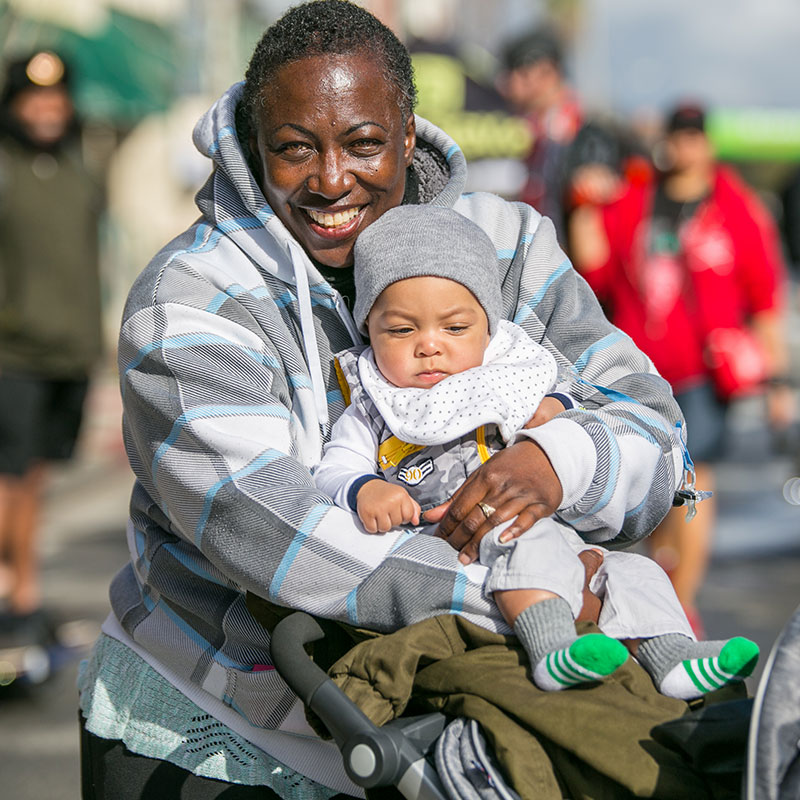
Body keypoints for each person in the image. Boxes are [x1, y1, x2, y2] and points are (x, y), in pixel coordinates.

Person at [78, 2, 692, 797]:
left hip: (439, 738)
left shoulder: (505, 249)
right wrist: (530, 590)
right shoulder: (190, 299)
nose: (333, 180)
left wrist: (560, 457)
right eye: (294, 148)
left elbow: (652, 429)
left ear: (408, 134)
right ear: (251, 145)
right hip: (220, 734)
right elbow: (267, 527)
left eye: (364, 143)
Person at [315, 203, 758, 699]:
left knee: (636, 569)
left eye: (455, 328)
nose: (429, 346)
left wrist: (555, 407)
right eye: (400, 330)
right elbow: (335, 467)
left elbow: (576, 395)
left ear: (489, 330)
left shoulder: (508, 374)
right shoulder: (376, 406)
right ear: (368, 329)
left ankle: (672, 655)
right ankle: (551, 649)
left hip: (559, 538)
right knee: (526, 540)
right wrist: (363, 488)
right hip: (469, 545)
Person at [569, 103, 792, 636]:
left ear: (707, 144)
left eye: (695, 136)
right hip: (638, 368)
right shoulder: (637, 199)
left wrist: (779, 380)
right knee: (644, 479)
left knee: (693, 480)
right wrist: (582, 204)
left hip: (702, 372)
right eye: (679, 135)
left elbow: (764, 295)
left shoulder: (734, 207)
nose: (686, 146)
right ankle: (650, 589)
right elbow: (594, 267)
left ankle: (682, 598)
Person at [0, 51, 104, 624]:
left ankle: (23, 589)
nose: (46, 110)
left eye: (55, 99)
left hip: (68, 351)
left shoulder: (77, 167)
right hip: (12, 354)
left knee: (36, 474)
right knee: (7, 475)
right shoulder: (5, 167)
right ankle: (12, 588)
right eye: (34, 99)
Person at [497, 25, 583, 243]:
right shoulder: (536, 126)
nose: (505, 85)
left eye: (515, 73)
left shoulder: (569, 129)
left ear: (544, 72)